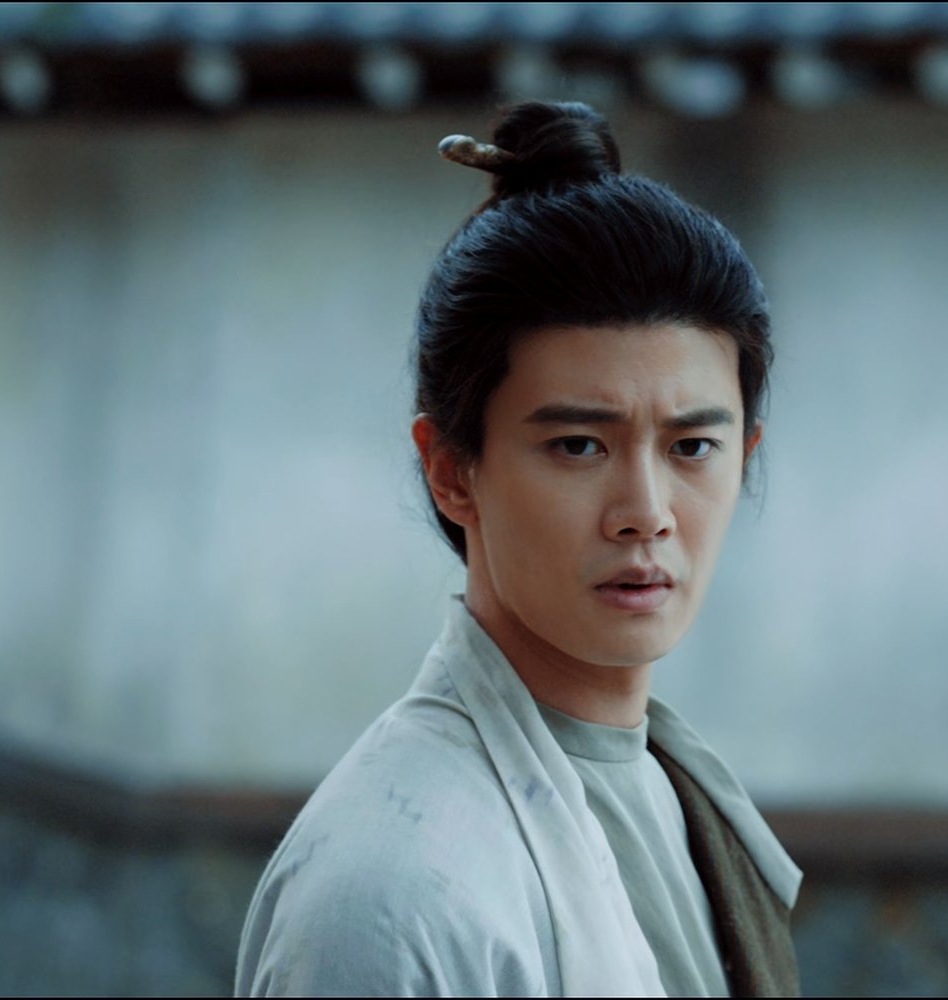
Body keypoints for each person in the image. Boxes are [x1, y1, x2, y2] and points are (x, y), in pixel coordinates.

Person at [234, 101, 801, 998]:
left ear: (747, 456)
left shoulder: (681, 801)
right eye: (578, 445)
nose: (645, 514)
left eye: (692, 446)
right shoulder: (393, 898)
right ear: (451, 470)